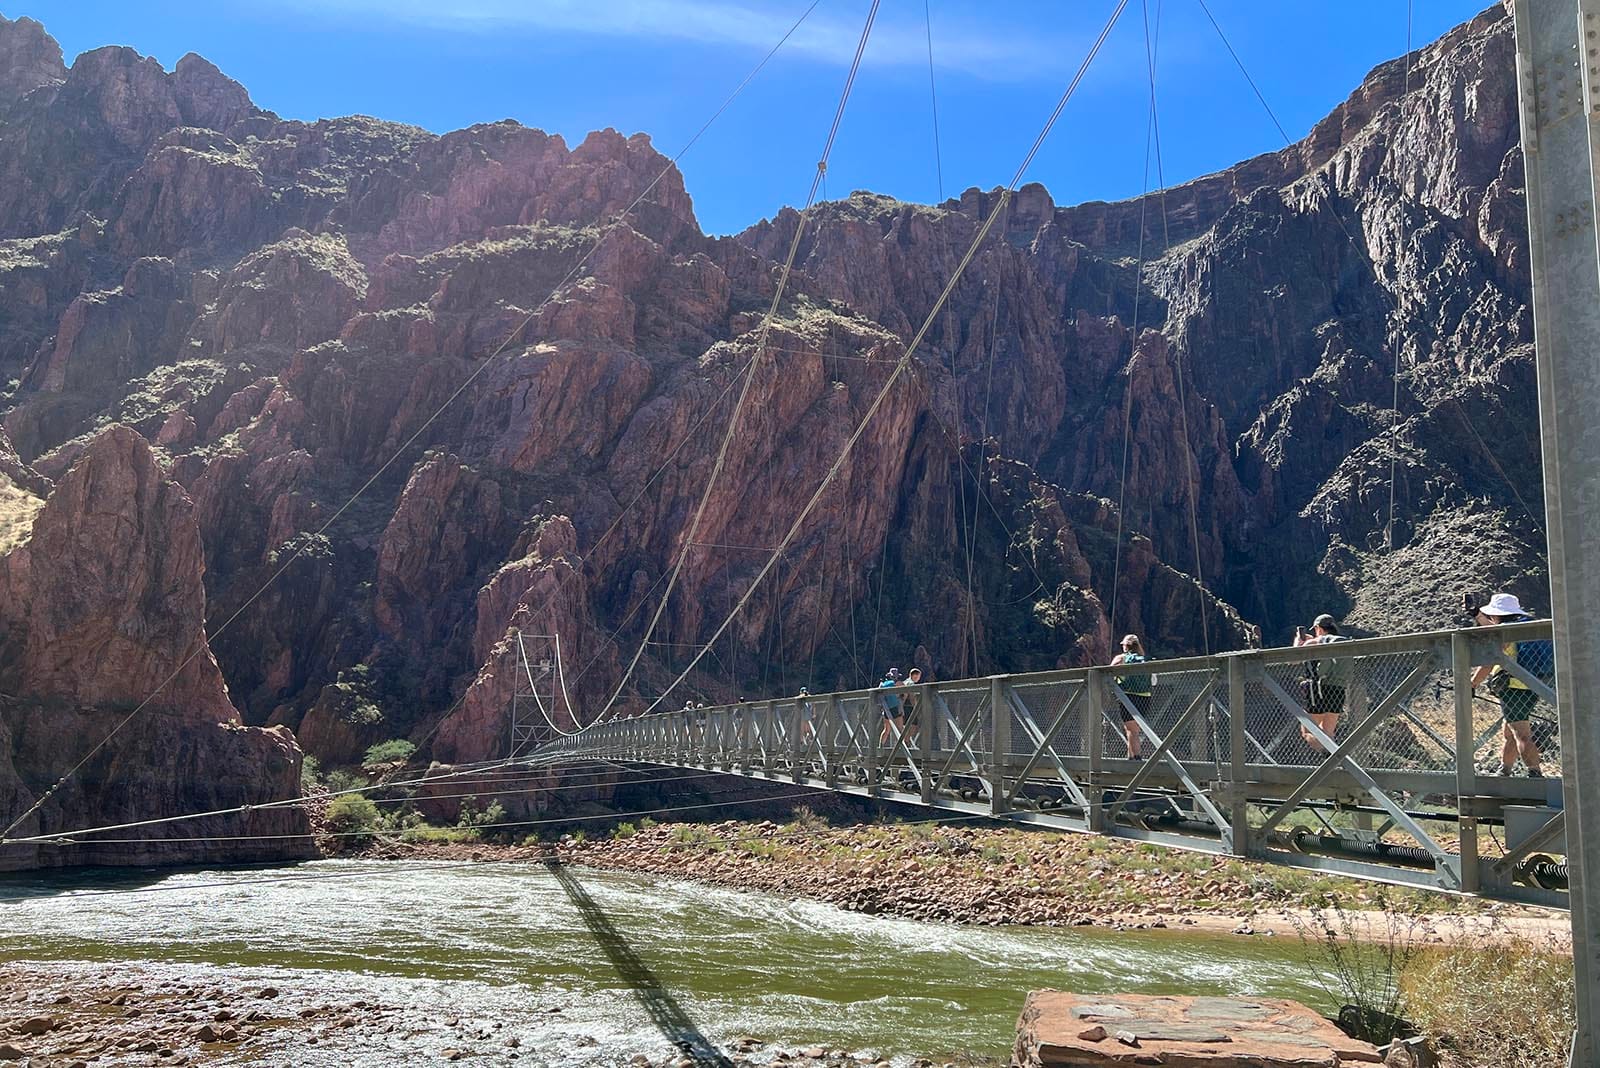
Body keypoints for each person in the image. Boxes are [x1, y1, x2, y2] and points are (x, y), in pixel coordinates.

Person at [1470, 592, 1544, 778]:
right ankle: (1505, 770)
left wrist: (1472, 684)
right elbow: (1492, 628)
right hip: (1532, 686)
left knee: (1521, 734)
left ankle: (1535, 773)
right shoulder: (1521, 628)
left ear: (1498, 614)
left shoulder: (1504, 633)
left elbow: (1489, 662)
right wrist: (1477, 614)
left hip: (1512, 688)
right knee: (1509, 732)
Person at [1294, 613, 1351, 755]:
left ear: (1318, 628)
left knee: (1307, 730)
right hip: (1339, 689)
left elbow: (1295, 656)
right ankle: (1334, 756)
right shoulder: (1343, 641)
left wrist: (1299, 641)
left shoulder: (1319, 641)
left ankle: (1329, 756)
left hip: (1319, 689)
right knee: (1328, 732)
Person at [1108, 635, 1152, 760]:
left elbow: (1109, 671)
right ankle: (1130, 756)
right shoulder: (1144, 659)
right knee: (1135, 729)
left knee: (1131, 729)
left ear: (1126, 646)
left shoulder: (1121, 658)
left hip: (1128, 696)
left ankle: (1136, 758)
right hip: (1145, 697)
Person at [878, 668, 904, 745]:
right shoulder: (899, 683)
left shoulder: (882, 684)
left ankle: (880, 746)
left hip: (886, 709)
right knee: (900, 729)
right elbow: (903, 694)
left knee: (886, 730)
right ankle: (900, 748)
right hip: (896, 707)